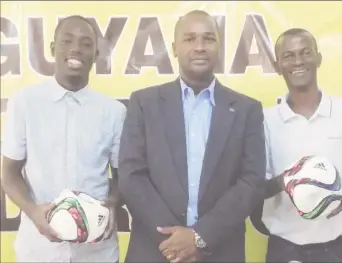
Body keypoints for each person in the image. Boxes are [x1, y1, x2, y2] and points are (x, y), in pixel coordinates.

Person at [118, 10, 266, 263]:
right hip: (154, 251)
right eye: (190, 39)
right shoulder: (144, 103)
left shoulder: (246, 109)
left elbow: (251, 181)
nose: (199, 47)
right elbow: (131, 176)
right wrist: (175, 241)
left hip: (220, 251)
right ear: (175, 48)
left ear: (219, 47)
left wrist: (200, 236)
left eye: (208, 39)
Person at [1, 15, 125, 262]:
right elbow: (9, 174)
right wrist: (34, 212)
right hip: (37, 251)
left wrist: (112, 203)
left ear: (97, 53)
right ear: (52, 48)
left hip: (96, 252)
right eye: (67, 41)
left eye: (86, 43)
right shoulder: (24, 103)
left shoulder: (114, 112)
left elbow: (124, 178)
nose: (76, 48)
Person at [255, 28, 342, 263]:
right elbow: (255, 189)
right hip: (285, 249)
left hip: (338, 249)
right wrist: (290, 180)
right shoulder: (263, 121)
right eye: (288, 55)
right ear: (277, 64)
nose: (298, 61)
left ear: (318, 58)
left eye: (305, 52)